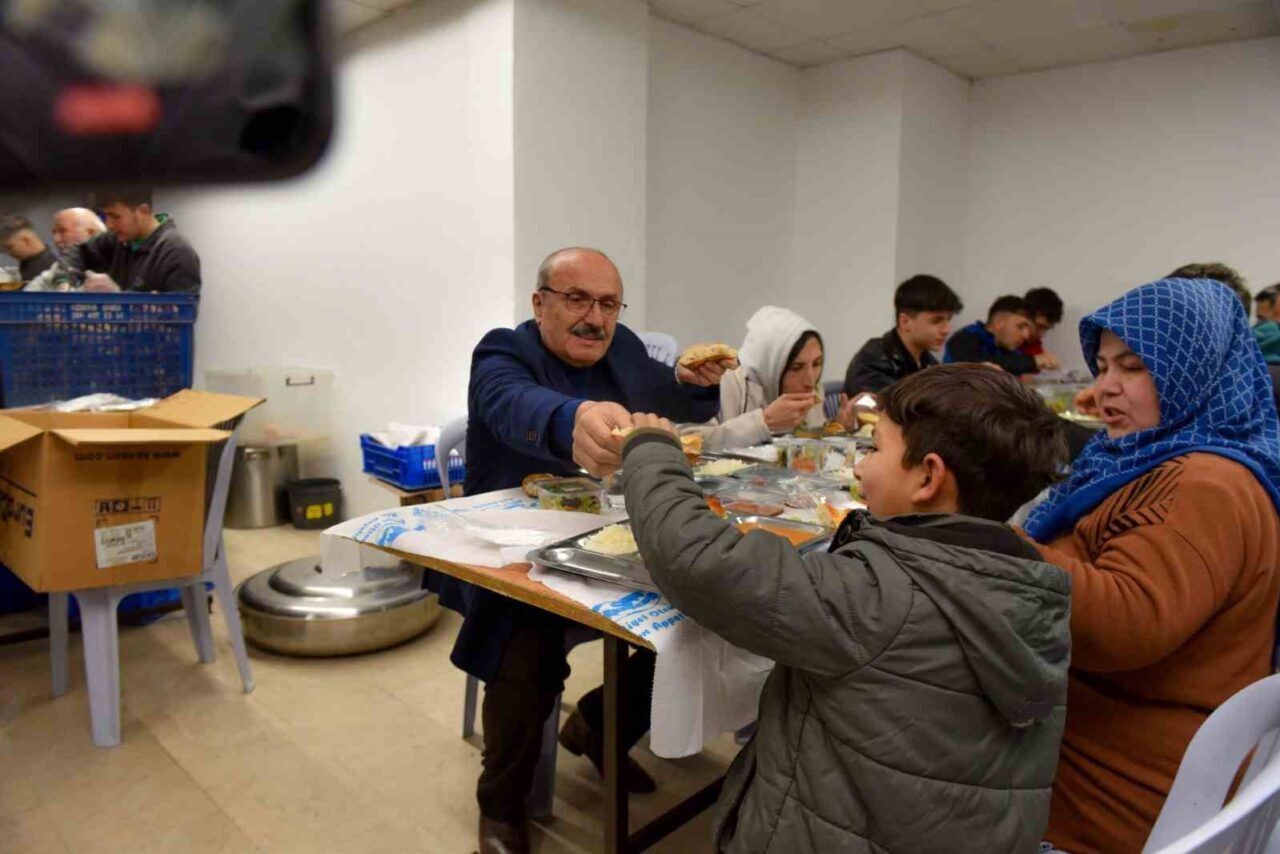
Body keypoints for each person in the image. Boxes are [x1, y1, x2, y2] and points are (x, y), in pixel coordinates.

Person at [618, 364, 1070, 853]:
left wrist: (652, 451)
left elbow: (699, 561)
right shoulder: (1027, 587)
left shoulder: (874, 596)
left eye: (874, 449)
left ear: (928, 477)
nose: (858, 466)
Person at [452, 247, 728, 854]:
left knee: (702, 606)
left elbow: (668, 396)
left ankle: (600, 726)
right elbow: (509, 402)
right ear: (540, 302)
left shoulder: (624, 348)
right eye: (577, 299)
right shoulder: (502, 350)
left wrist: (691, 384)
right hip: (514, 549)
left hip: (608, 535)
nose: (594, 319)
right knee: (528, 641)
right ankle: (500, 802)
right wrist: (572, 419)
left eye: (607, 303)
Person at [1024, 277, 1280, 852]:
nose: (1106, 387)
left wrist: (984, 543)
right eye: (1104, 366)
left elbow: (1125, 623)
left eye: (1133, 367)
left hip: (1101, 802)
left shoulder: (1202, 485)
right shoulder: (1171, 456)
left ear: (1195, 368)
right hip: (1128, 763)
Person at [682, 306, 825, 450]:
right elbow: (690, 442)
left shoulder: (813, 389)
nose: (810, 381)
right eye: (796, 368)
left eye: (817, 363)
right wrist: (764, 422)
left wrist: (838, 425)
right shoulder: (716, 379)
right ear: (769, 365)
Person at [842, 274, 961, 396]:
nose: (946, 329)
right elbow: (886, 411)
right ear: (905, 322)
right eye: (936, 321)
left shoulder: (929, 363)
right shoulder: (873, 361)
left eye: (948, 319)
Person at [74, 190, 201, 293]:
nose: (109, 225)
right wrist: (62, 280)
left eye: (115, 216)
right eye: (106, 216)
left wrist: (116, 296)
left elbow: (179, 315)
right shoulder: (117, 239)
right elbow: (76, 252)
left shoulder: (176, 253)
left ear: (143, 211)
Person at [944, 295, 1060, 375]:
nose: (1026, 335)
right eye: (1020, 327)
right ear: (999, 322)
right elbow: (973, 366)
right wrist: (1032, 361)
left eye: (1028, 329)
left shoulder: (1009, 348)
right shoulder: (966, 337)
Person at [0, 214, 57, 282]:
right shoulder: (28, 261)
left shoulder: (49, 269)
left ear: (26, 240)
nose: (9, 253)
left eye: (10, 247)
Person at [1020, 286, 1064, 359]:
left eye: (1046, 329)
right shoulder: (1001, 340)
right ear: (1025, 315)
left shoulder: (1035, 346)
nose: (1041, 334)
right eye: (1039, 326)